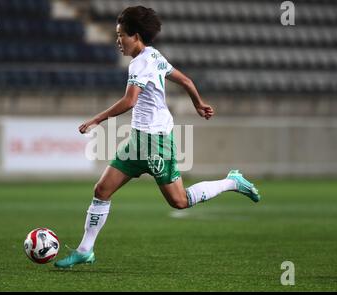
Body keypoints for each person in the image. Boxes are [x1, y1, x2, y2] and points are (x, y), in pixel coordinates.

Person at [54, 6, 260, 269]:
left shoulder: (140, 63)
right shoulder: (153, 56)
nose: (118, 40)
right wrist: (198, 103)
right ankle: (85, 250)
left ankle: (232, 182)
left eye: (121, 35)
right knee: (101, 190)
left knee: (179, 201)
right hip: (138, 140)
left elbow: (130, 101)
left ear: (136, 36)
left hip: (156, 143)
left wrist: (97, 119)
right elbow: (185, 81)